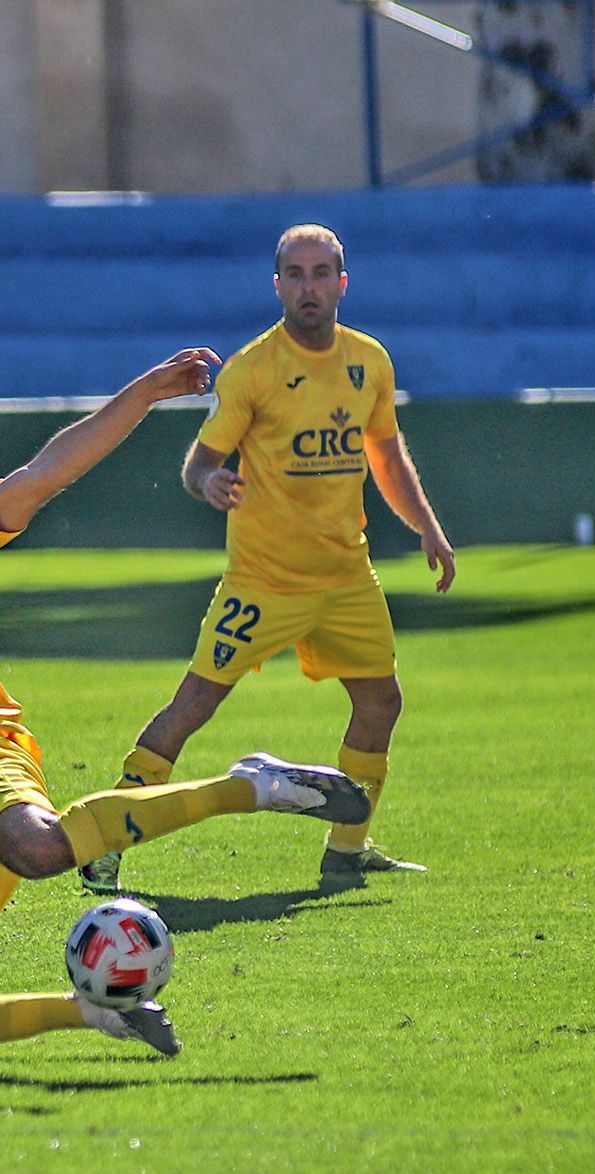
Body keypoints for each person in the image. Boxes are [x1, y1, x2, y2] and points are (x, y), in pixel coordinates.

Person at [0, 351, 373, 1060]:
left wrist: (146, 391)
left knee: (44, 847)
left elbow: (43, 475)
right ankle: (93, 1013)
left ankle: (251, 784)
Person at [79, 225, 455, 896]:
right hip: (264, 579)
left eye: (320, 273)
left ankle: (346, 849)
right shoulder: (253, 368)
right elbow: (200, 461)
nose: (307, 286)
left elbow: (386, 454)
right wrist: (209, 484)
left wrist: (427, 527)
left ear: (342, 283)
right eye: (294, 273)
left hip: (346, 575)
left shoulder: (370, 360)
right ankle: (105, 842)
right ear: (276, 284)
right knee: (193, 703)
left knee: (381, 701)